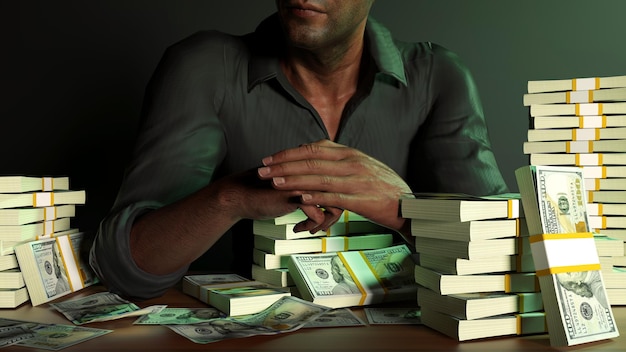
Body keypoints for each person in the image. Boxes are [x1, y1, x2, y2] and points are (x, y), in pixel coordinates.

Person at [90, 0, 508, 300]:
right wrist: (231, 197)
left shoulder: (439, 76)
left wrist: (401, 209)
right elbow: (124, 270)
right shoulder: (203, 66)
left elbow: (505, 263)